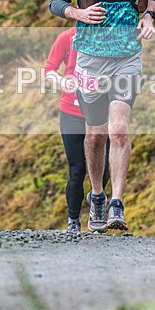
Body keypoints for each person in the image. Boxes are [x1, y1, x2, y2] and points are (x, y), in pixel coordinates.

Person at [48, 0, 155, 233]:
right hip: (91, 60)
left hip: (127, 56)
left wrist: (149, 16)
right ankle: (97, 194)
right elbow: (55, 1)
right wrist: (78, 14)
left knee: (119, 128)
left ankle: (117, 203)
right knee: (95, 134)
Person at [44, 27, 111, 233]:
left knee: (105, 168)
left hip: (100, 113)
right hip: (71, 113)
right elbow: (49, 69)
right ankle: (73, 221)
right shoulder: (67, 37)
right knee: (77, 170)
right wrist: (61, 81)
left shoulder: (109, 36)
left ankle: (95, 196)